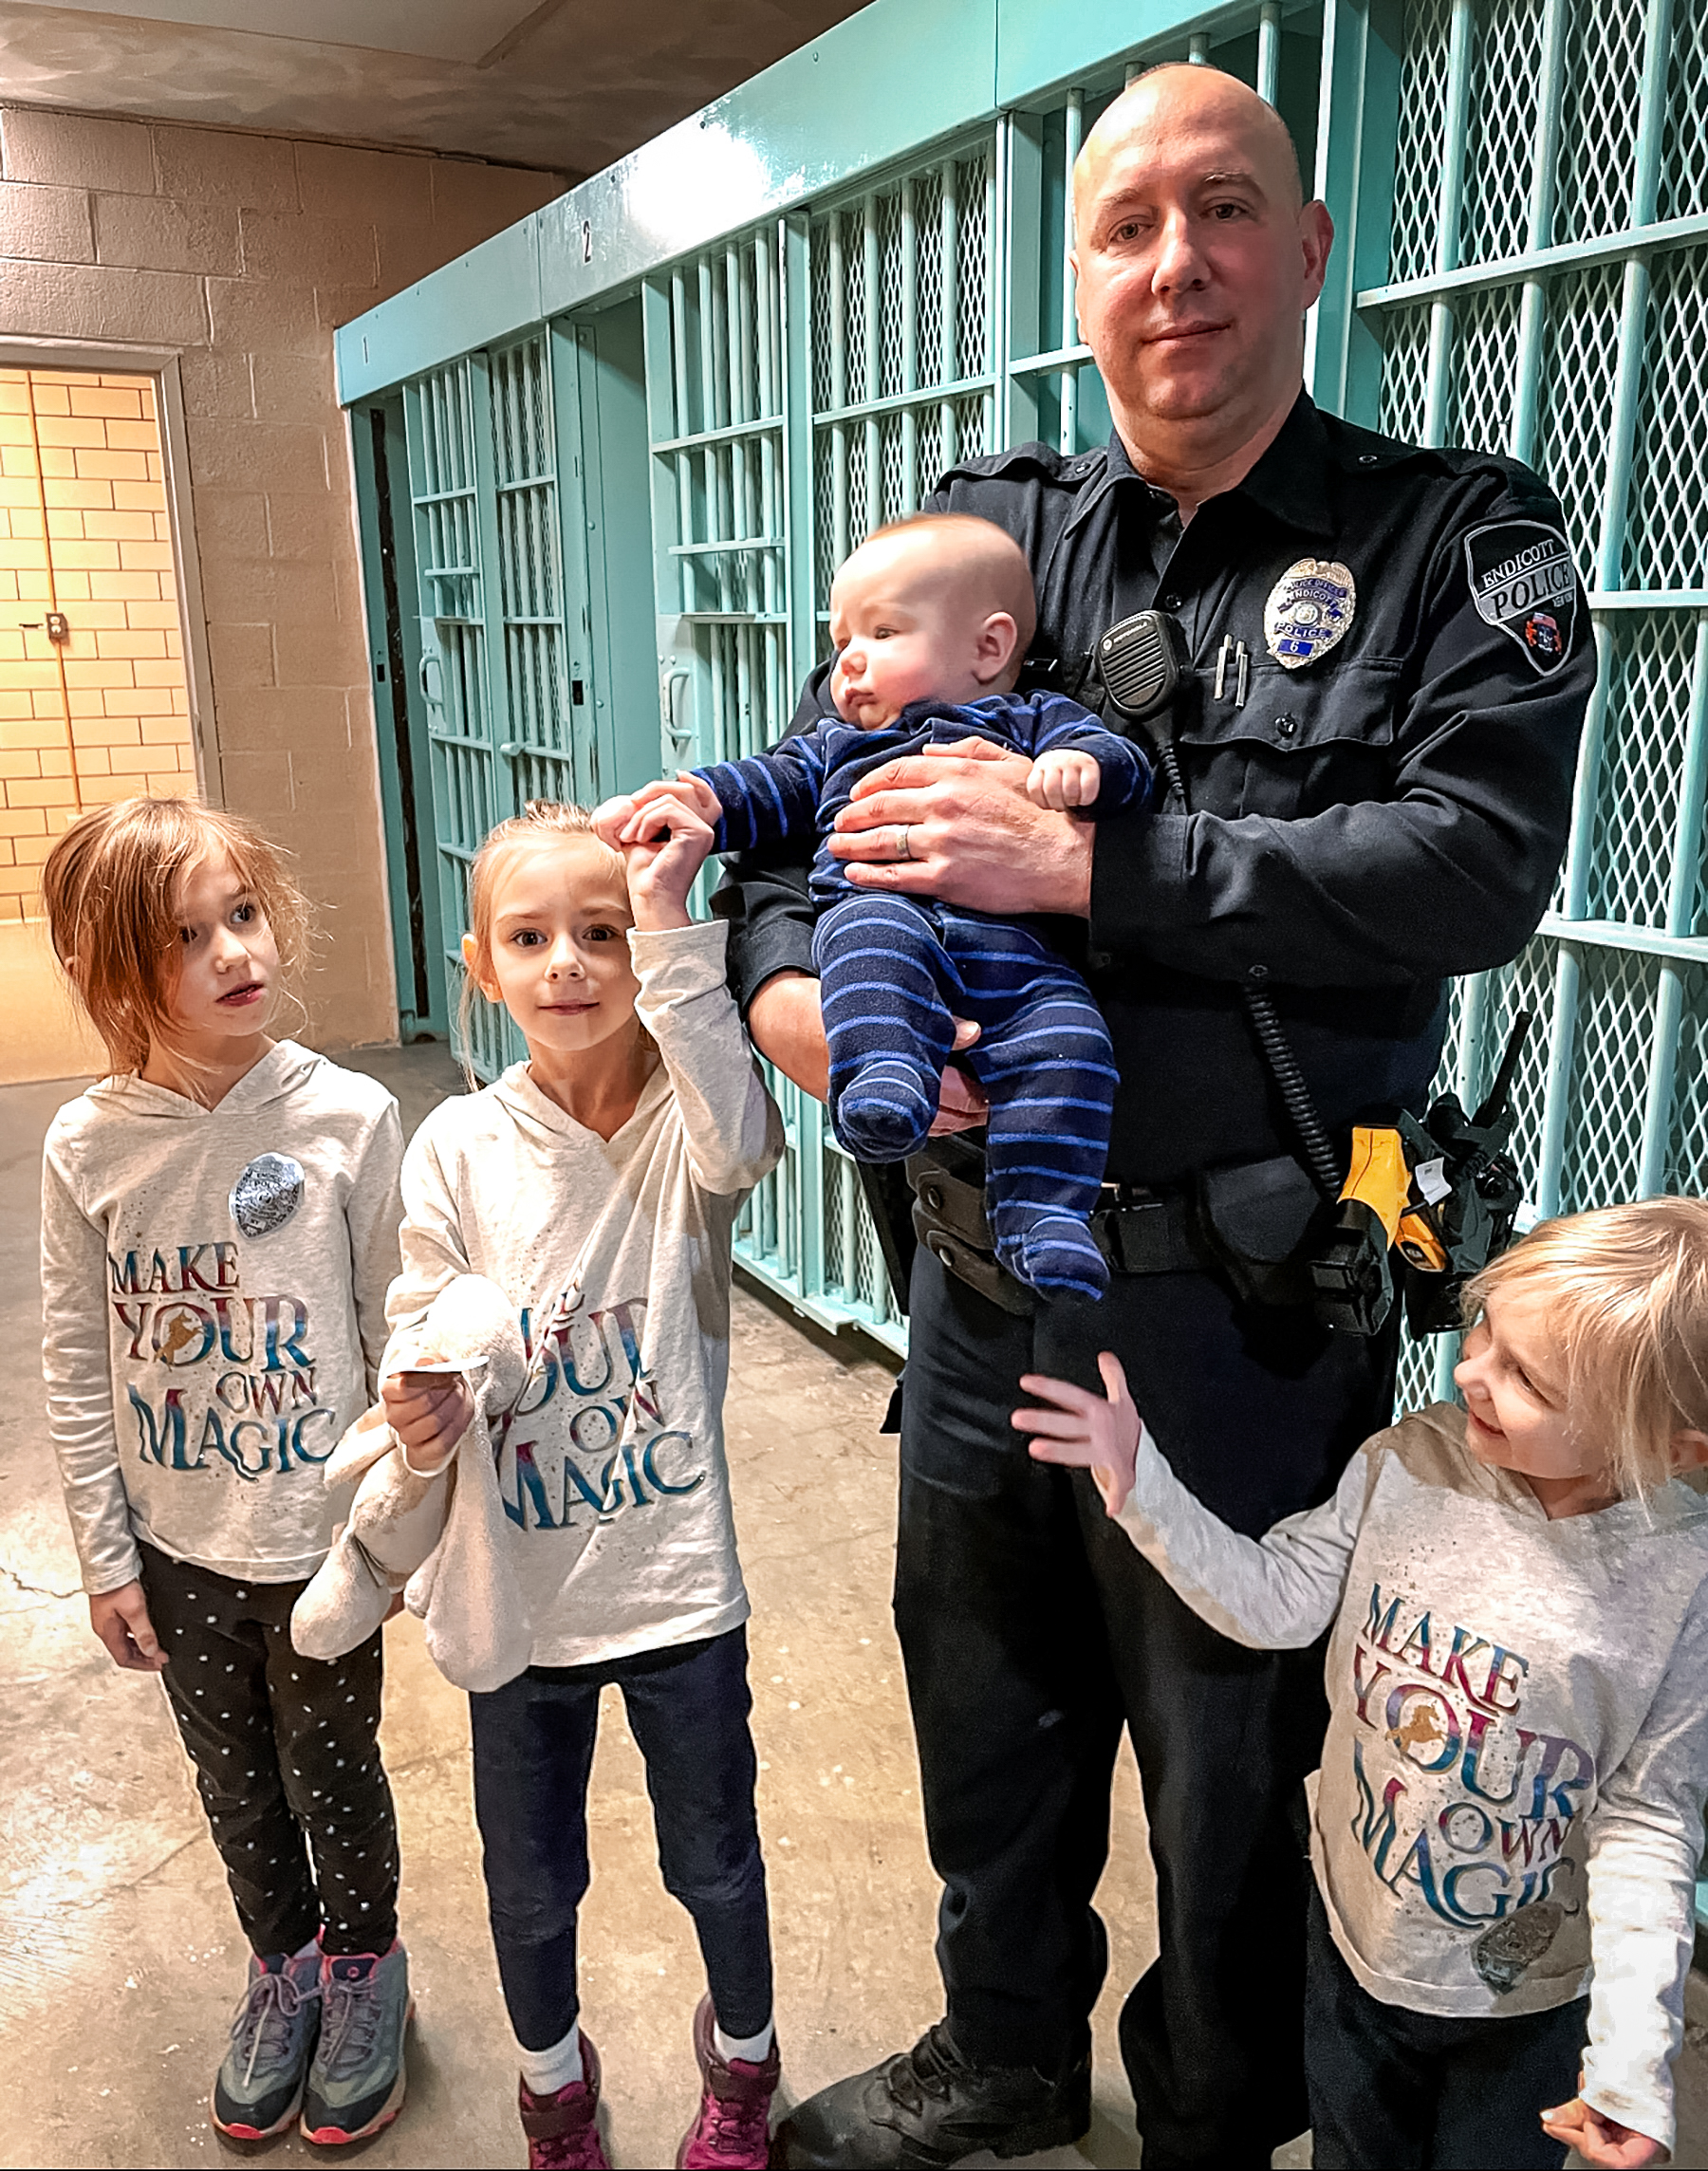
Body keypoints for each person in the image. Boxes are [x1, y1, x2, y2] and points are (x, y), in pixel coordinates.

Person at [719, 60, 1600, 2171]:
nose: (1176, 262)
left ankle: (1214, 2110)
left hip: (1248, 1305)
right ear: (1083, 276)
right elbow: (782, 812)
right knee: (984, 1700)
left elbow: (1469, 860)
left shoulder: (1452, 535)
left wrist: (1098, 872)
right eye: (1127, 226)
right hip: (972, 1272)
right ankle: (1001, 2045)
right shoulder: (991, 534)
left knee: (1230, 1753)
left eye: (1223, 213)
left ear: (1306, 252)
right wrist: (795, 1009)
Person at [1016, 1197, 1708, 2171]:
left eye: (1527, 1378)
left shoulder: (1681, 1581)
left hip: (1525, 2000)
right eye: (1484, 1331)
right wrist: (1146, 1486)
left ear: (1675, 1446)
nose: (1470, 1371)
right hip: (1349, 1941)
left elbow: (1650, 1824)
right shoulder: (1406, 1463)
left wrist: (1633, 2057)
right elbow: (1277, 1600)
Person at [377, 799, 786, 2171]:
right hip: (521, 1599)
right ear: (482, 970)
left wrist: (673, 922)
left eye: (600, 934)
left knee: (716, 1858)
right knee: (532, 1883)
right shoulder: (457, 1148)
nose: (569, 964)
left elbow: (748, 1139)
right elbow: (424, 1316)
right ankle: (554, 2089)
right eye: (531, 937)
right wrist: (425, 1400)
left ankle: (743, 2066)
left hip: (676, 1583)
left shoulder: (689, 1119)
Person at [37, 796, 411, 2146]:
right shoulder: (90, 1146)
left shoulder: (351, 1116)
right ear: (114, 971)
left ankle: (366, 1969)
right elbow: (78, 1364)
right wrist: (104, 1557)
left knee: (333, 1768)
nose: (233, 953)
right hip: (180, 1546)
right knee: (236, 1782)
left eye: (242, 917)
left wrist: (398, 1532)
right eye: (186, 937)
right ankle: (285, 1967)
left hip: (321, 1543)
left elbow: (401, 1334)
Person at [598, 512, 1149, 1298]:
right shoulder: (838, 745)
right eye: (840, 640)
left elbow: (1122, 764)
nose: (847, 662)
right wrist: (697, 797)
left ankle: (1042, 1218)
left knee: (1073, 1043)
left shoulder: (1032, 723)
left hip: (1022, 962)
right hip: (886, 910)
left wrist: (1080, 769)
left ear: (989, 648)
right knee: (866, 944)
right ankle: (886, 1073)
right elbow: (768, 784)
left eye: (882, 634)